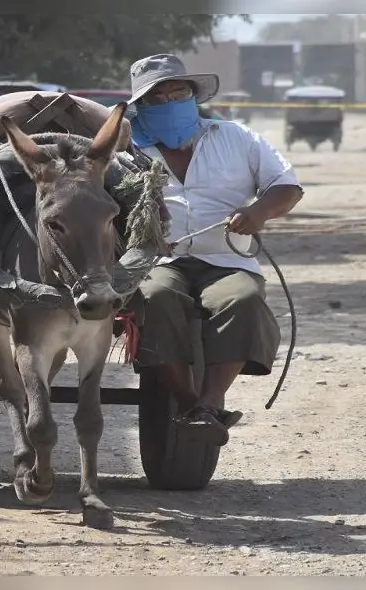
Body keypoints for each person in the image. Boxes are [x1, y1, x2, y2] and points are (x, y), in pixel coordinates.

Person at [125, 54, 304, 446]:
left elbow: (287, 187)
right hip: (156, 261)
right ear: (140, 106)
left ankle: (210, 401)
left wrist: (257, 211)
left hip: (226, 259)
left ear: (193, 97)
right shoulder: (123, 149)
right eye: (158, 98)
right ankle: (189, 403)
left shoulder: (237, 137)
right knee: (154, 296)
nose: (171, 102)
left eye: (179, 93)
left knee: (243, 297)